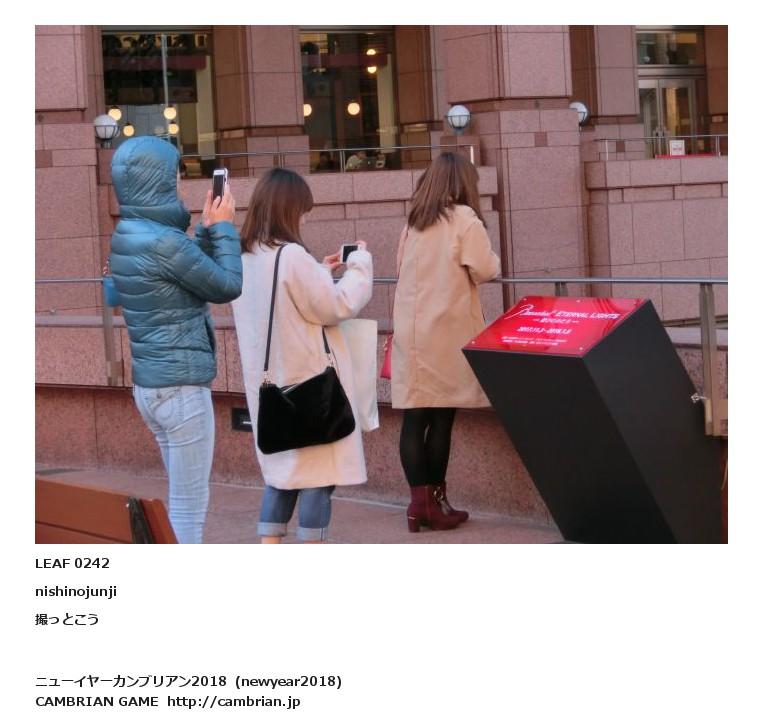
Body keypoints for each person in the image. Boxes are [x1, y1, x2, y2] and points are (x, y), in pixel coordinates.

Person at [109, 136, 242, 544]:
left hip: (151, 388)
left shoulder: (129, 233)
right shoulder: (164, 242)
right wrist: (225, 228)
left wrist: (204, 230)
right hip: (182, 390)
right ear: (157, 182)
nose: (178, 182)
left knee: (179, 503)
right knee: (187, 509)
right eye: (174, 177)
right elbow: (226, 285)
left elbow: (183, 272)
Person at [232, 168, 373, 544]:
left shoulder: (246, 255)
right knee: (318, 477)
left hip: (271, 388)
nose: (305, 218)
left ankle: (270, 546)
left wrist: (319, 271)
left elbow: (285, 299)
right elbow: (336, 306)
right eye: (303, 211)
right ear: (290, 209)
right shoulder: (291, 255)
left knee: (282, 476)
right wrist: (360, 266)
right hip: (311, 382)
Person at [392, 153, 501, 532]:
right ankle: (436, 502)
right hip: (446, 331)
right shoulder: (464, 219)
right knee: (442, 418)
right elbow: (486, 269)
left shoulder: (414, 222)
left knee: (414, 418)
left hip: (411, 332)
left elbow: (400, 269)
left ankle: (418, 505)